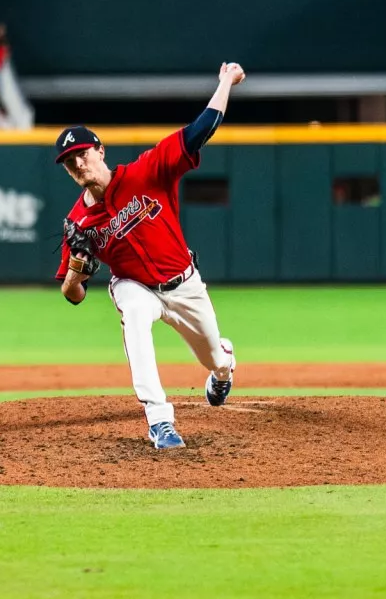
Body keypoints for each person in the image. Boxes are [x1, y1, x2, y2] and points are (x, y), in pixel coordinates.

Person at [55, 63, 246, 451]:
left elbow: (200, 131)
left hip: (184, 282)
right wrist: (76, 273)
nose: (77, 164)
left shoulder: (147, 172)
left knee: (213, 357)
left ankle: (224, 364)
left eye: (81, 154)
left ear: (99, 150)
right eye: (68, 161)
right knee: (134, 314)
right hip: (134, 285)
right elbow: (71, 294)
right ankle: (159, 420)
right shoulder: (78, 223)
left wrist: (226, 81)